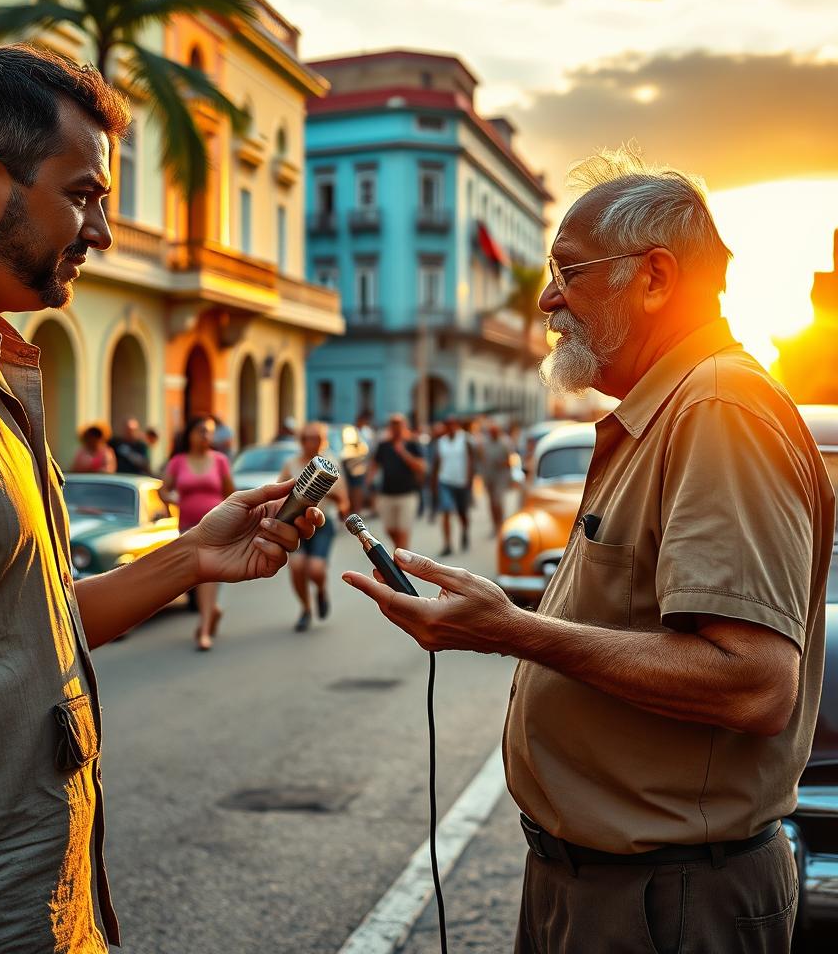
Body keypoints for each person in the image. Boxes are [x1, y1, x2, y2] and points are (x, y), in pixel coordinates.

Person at [0, 43, 323, 954]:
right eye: (83, 194)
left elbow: (19, 629)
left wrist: (191, 558)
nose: (101, 230)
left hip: (27, 905)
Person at [344, 148, 835, 954]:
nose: (546, 298)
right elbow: (642, 619)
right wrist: (513, 610)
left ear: (654, 278)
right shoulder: (672, 408)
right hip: (611, 886)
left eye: (568, 271)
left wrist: (510, 630)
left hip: (665, 903)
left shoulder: (719, 408)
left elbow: (751, 684)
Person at [159, 415, 236, 651]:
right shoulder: (178, 462)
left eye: (210, 432)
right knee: (198, 576)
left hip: (217, 527)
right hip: (188, 527)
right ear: (190, 434)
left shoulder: (220, 460)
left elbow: (231, 494)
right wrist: (171, 500)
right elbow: (164, 490)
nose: (207, 436)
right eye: (202, 430)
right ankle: (212, 611)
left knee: (209, 573)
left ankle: (203, 630)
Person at [280, 422, 350, 632]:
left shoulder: (331, 464)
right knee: (297, 566)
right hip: (294, 522)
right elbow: (278, 491)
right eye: (310, 438)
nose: (314, 443)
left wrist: (329, 495)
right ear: (302, 441)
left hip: (322, 522)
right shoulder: (291, 464)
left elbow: (344, 500)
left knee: (316, 569)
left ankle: (320, 590)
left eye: (318, 439)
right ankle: (305, 608)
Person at [365, 413, 427, 551]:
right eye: (393, 425)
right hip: (387, 494)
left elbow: (421, 467)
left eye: (399, 425)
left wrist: (403, 453)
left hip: (407, 494)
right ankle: (400, 550)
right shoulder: (384, 445)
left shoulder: (412, 444)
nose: (396, 429)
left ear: (405, 426)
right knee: (390, 529)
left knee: (403, 530)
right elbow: (375, 464)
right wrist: (368, 482)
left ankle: (402, 562)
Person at [434, 414, 474, 556]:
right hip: (445, 481)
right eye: (448, 425)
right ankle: (447, 544)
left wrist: (469, 480)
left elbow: (471, 459)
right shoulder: (441, 442)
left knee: (462, 513)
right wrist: (434, 483)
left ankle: (464, 530)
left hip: (461, 482)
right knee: (445, 511)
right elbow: (437, 462)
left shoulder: (465, 439)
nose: (450, 427)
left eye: (453, 424)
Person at [477, 421, 513, 536]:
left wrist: (501, 464)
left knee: (498, 500)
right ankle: (495, 524)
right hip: (489, 476)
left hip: (501, 476)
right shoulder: (485, 443)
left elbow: (509, 461)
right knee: (492, 502)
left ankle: (500, 523)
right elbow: (481, 458)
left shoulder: (505, 443)